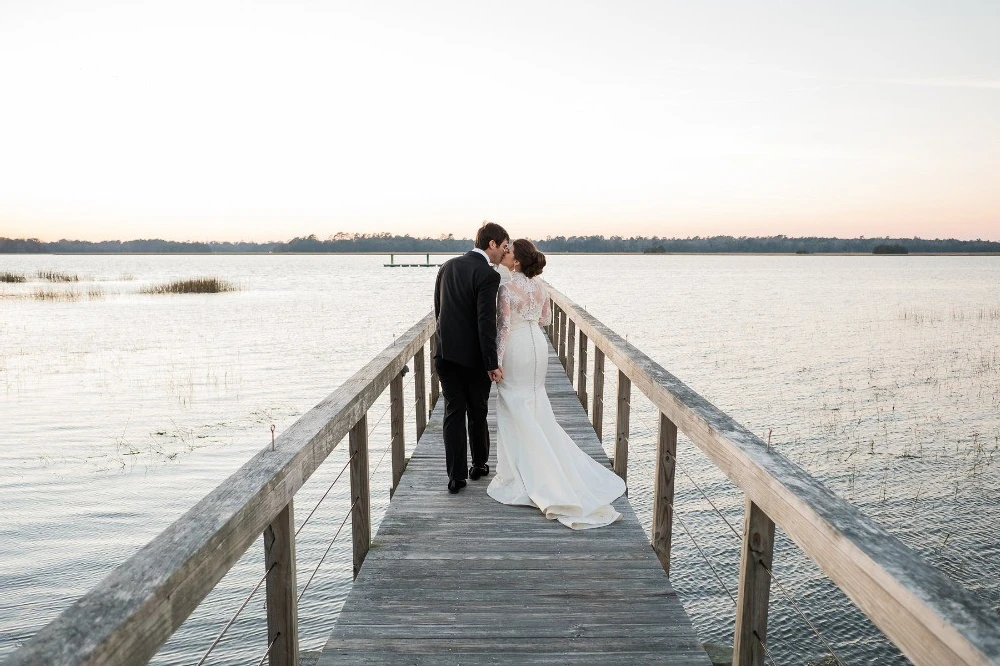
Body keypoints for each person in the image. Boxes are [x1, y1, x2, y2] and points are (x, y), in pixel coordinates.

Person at [487, 239, 626, 528]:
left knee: (512, 401)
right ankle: (545, 457)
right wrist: (528, 326)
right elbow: (545, 320)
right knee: (535, 399)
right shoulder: (542, 287)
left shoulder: (505, 288)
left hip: (515, 346)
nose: (506, 253)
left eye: (510, 251)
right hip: (537, 345)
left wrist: (496, 361)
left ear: (517, 262)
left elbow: (502, 327)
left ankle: (522, 472)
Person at [433, 222, 509, 494]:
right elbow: (485, 323)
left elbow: (438, 311)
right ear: (491, 244)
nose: (504, 252)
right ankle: (478, 464)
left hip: (445, 354)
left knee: (454, 412)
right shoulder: (488, 275)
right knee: (477, 411)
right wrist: (492, 363)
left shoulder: (447, 267)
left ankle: (456, 477)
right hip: (474, 358)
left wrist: (445, 343)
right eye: (503, 247)